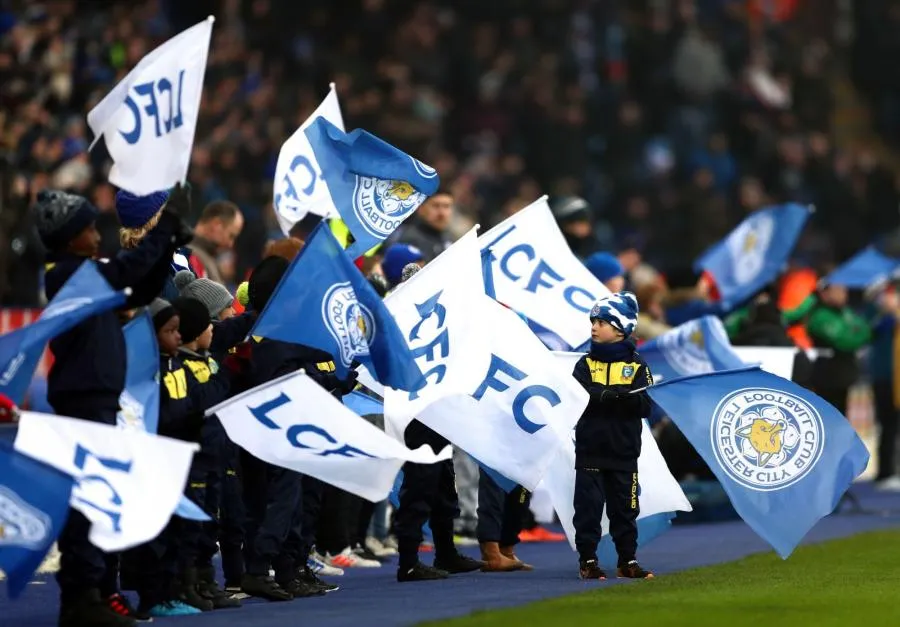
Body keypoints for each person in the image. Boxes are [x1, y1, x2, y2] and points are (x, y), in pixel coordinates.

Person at [36, 186, 192, 627]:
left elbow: (137, 289)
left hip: (96, 397)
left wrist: (168, 247)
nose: (95, 233)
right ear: (68, 239)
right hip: (83, 399)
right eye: (86, 228)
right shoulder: (67, 274)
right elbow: (125, 272)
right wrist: (161, 234)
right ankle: (82, 598)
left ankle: (98, 592)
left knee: (99, 500)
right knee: (88, 501)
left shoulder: (80, 271)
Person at [391, 264, 484, 582]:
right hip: (416, 414)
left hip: (439, 412)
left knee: (445, 486)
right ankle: (408, 561)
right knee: (419, 487)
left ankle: (445, 552)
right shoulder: (397, 319)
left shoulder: (437, 318)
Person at [571, 292, 654, 581]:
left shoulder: (639, 365)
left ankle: (627, 561)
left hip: (623, 451)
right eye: (593, 321)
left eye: (602, 321)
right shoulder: (584, 364)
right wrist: (611, 396)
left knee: (625, 511)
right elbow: (576, 396)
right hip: (590, 451)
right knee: (588, 511)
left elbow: (645, 405)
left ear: (620, 329)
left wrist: (614, 397)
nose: (593, 326)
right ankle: (588, 561)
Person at [185, 201, 245, 284]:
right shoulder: (191, 256)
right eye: (231, 236)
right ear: (216, 225)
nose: (231, 244)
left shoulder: (206, 257)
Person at [394, 190, 454, 262]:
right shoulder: (408, 239)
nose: (442, 213)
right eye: (436, 206)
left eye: (446, 206)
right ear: (421, 208)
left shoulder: (451, 241)